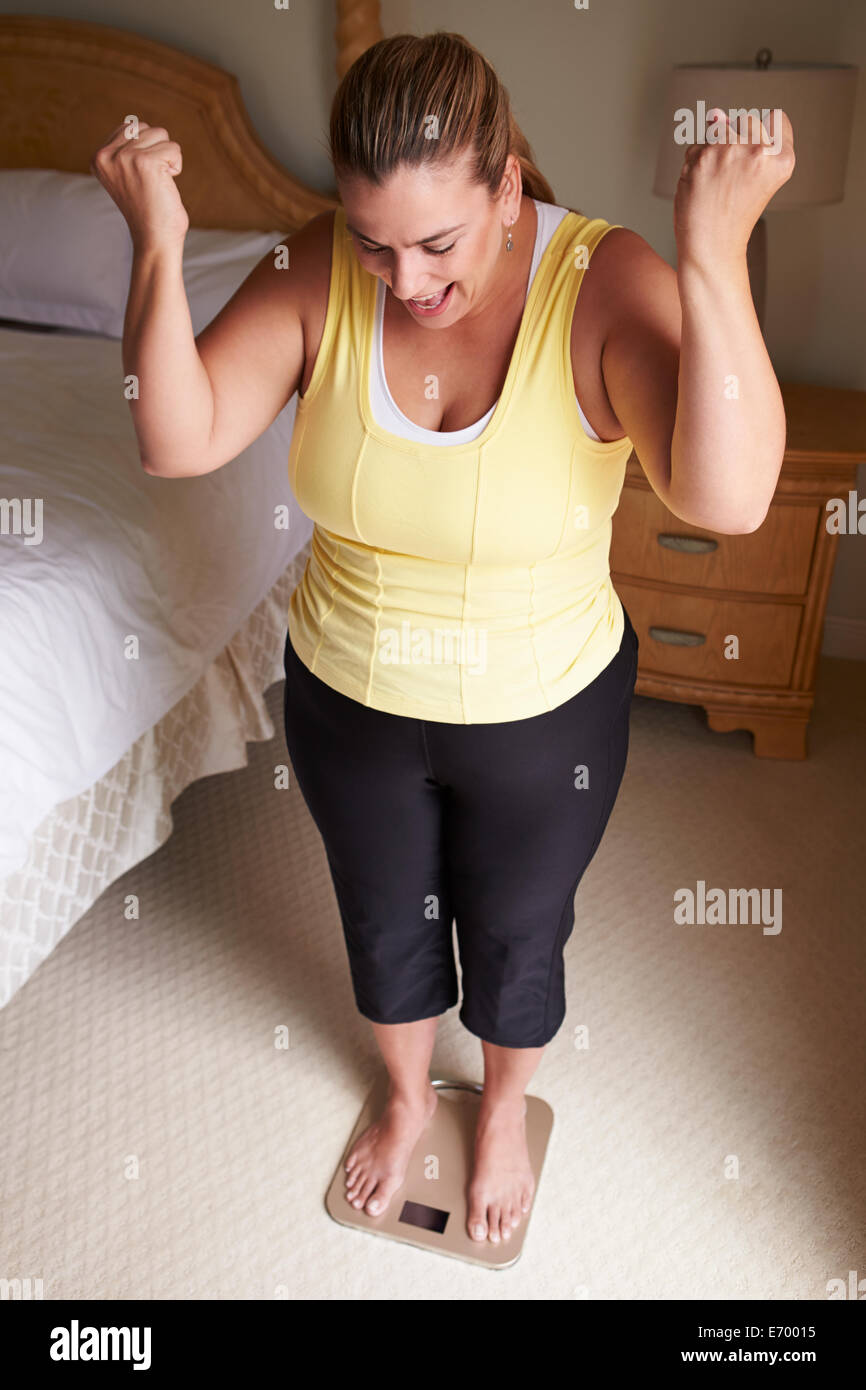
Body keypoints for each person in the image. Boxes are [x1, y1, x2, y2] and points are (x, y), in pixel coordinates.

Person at [92, 31, 793, 1248]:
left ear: (507, 187)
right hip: (347, 695)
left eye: (436, 243)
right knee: (382, 914)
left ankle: (504, 1106)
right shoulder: (320, 268)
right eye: (371, 240)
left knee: (517, 928)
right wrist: (156, 240)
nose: (402, 281)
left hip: (541, 710)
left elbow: (722, 496)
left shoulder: (600, 278)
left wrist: (714, 264)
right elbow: (177, 434)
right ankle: (410, 1091)